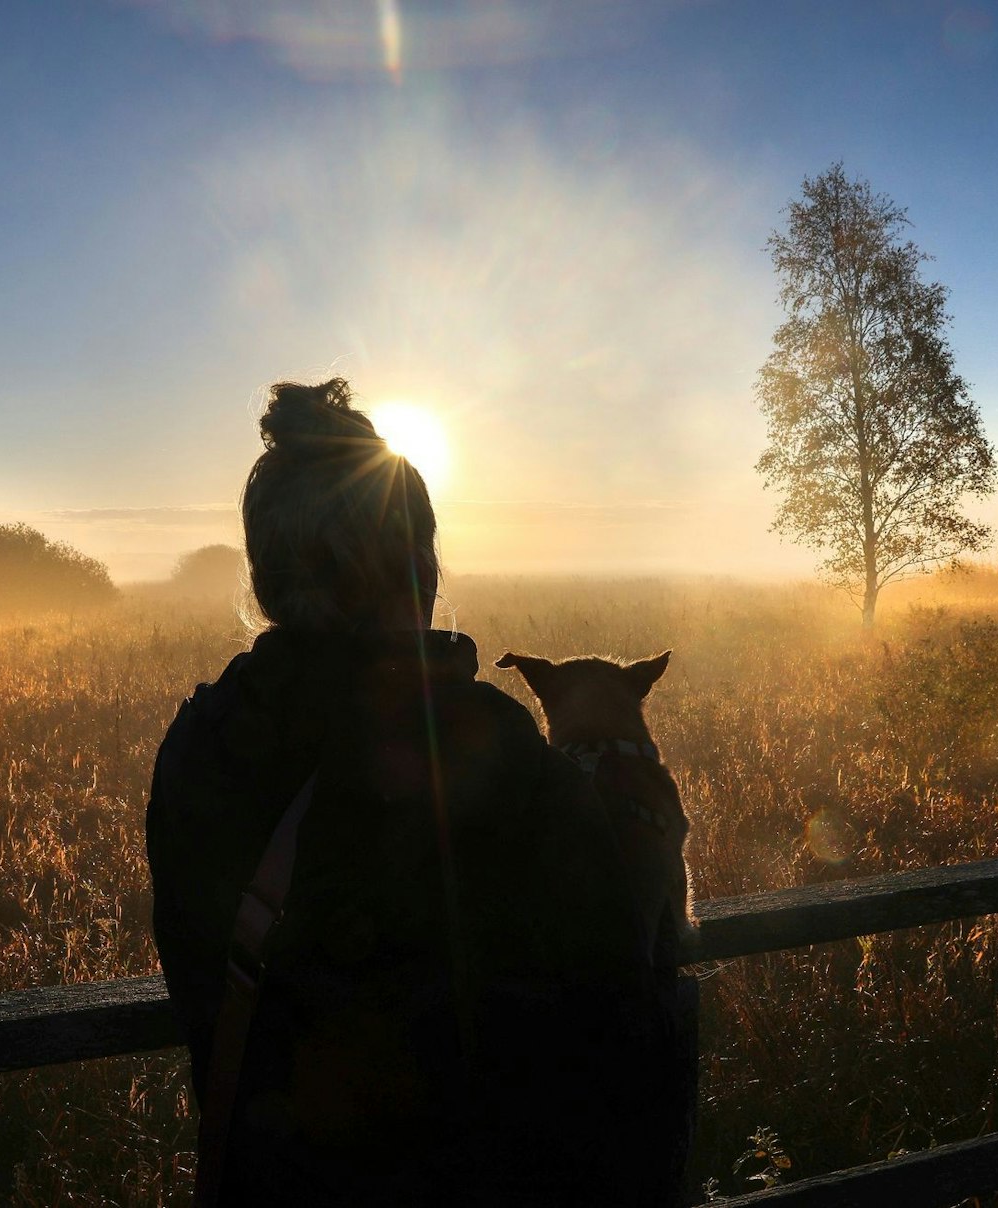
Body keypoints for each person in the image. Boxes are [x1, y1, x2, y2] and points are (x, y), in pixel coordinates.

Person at [146, 379, 696, 1206]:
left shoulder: (199, 745)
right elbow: (615, 1008)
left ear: (265, 576)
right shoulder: (487, 749)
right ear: (420, 567)